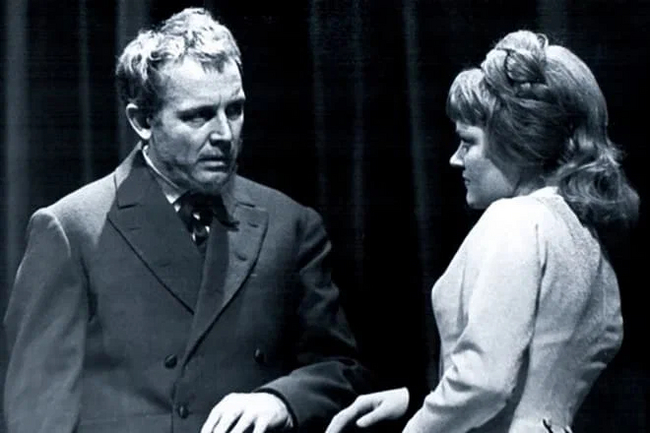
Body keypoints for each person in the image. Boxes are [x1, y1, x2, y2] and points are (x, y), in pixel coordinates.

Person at [3, 7, 372, 433]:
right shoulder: (72, 230)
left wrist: (281, 400)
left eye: (235, 110)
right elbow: (37, 413)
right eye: (198, 116)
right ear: (142, 121)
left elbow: (340, 369)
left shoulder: (290, 225)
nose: (224, 135)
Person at [325, 30, 639, 433]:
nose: (456, 160)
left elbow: (484, 383)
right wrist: (416, 400)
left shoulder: (515, 219)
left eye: (467, 142)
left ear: (516, 141)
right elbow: (530, 381)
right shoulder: (585, 238)